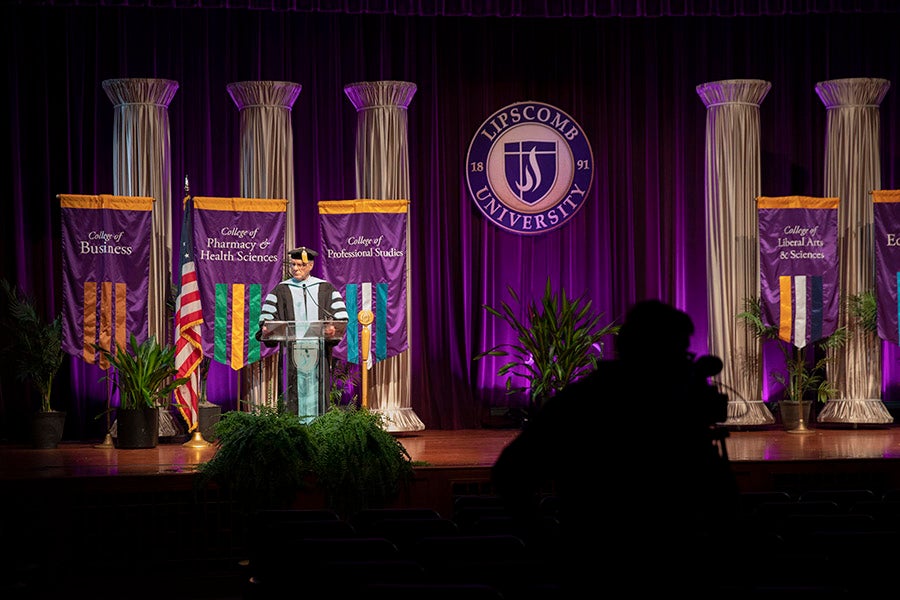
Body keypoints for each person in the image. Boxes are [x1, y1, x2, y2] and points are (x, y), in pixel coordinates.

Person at [490, 299, 737, 596]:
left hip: (596, 567)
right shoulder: (664, 407)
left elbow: (509, 474)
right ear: (653, 353)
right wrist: (548, 545)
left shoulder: (579, 400)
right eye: (678, 352)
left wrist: (549, 546)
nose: (684, 362)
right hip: (654, 569)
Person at [257, 246, 349, 418]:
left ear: (310, 266)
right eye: (293, 265)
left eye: (300, 265)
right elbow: (267, 317)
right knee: (292, 391)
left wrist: (332, 329)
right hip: (291, 352)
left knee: (318, 392)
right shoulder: (281, 290)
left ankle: (319, 428)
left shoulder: (326, 289)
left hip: (319, 353)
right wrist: (266, 328)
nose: (296, 269)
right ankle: (294, 431)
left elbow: (340, 317)